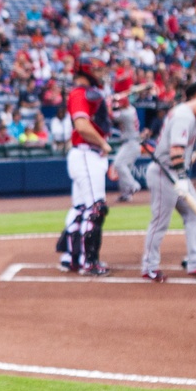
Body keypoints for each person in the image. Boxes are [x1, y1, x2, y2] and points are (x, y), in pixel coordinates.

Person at [141, 87, 196, 283]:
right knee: (160, 222)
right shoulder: (184, 116)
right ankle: (149, 267)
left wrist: (181, 177)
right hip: (166, 173)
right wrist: (181, 177)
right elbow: (176, 149)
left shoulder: (185, 113)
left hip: (175, 173)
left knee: (195, 215)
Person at [56, 61, 112, 276]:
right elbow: (82, 125)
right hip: (87, 153)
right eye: (97, 69)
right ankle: (90, 262)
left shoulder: (85, 93)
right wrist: (103, 143)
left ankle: (72, 257)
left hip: (84, 154)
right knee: (95, 208)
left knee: (80, 208)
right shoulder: (80, 93)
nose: (100, 73)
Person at [111, 89, 142, 202]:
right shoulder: (131, 109)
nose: (118, 106)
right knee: (123, 167)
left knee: (119, 164)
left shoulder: (126, 114)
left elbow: (111, 115)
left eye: (120, 104)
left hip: (131, 143)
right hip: (131, 142)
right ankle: (126, 194)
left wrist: (109, 103)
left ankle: (133, 185)